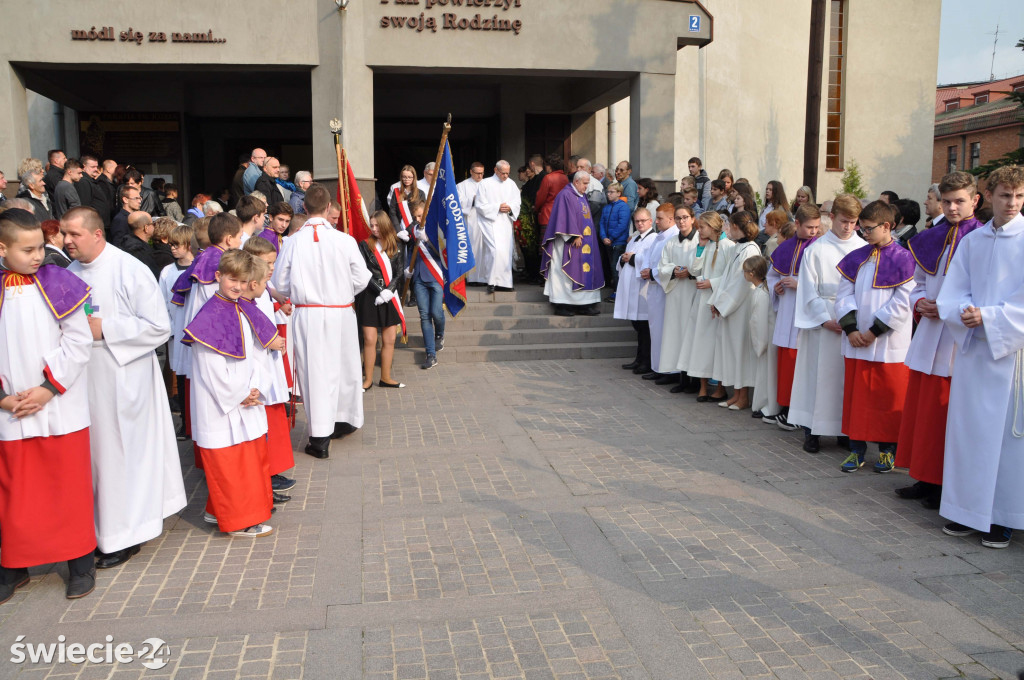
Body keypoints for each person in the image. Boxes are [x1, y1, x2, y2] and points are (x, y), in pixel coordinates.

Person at [62, 206, 187, 567]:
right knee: (97, 457)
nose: (67, 241)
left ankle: (125, 535)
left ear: (97, 233)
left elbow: (160, 326)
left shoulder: (128, 268)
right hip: (86, 377)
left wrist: (106, 329)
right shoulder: (70, 273)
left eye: (74, 234)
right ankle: (104, 529)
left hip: (125, 376)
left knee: (122, 455)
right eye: (65, 235)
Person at [0, 208, 97, 602]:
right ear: (2, 248)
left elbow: (78, 341)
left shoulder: (60, 281)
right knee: (15, 492)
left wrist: (46, 389)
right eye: (27, 250)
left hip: (58, 403)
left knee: (66, 488)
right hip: (10, 408)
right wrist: (3, 397)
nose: (38, 256)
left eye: (41, 246)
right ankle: (14, 566)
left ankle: (80, 564)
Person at [935, 164, 1024, 549]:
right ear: (989, 196)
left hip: (1012, 356)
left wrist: (987, 316)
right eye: (1005, 195)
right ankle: (964, 511)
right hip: (974, 352)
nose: (1013, 203)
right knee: (969, 433)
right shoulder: (973, 242)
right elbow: (953, 291)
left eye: (1019, 196)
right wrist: (963, 311)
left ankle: (1003, 518)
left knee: (1005, 441)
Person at [894, 171, 983, 510]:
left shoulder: (980, 238)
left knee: (947, 416)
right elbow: (916, 283)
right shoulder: (933, 236)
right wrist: (920, 302)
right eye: (946, 201)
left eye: (959, 201)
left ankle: (945, 483)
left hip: (959, 340)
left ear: (975, 201)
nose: (952, 207)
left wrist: (946, 307)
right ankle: (925, 476)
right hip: (929, 335)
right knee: (924, 414)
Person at [272, 184, 371, 459]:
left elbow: (279, 283)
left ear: (304, 207)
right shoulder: (345, 240)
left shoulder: (292, 242)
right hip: (340, 312)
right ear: (329, 208)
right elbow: (362, 279)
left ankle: (320, 438)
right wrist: (340, 291)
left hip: (309, 313)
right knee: (344, 366)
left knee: (314, 372)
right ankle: (343, 421)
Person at [183, 249, 275, 537]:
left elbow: (258, 353)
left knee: (247, 460)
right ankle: (239, 521)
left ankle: (216, 510)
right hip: (221, 402)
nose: (238, 286)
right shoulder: (208, 318)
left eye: (243, 280)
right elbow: (210, 369)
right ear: (219, 276)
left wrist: (257, 386)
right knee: (231, 465)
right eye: (232, 279)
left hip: (246, 395)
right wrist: (239, 394)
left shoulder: (243, 308)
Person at [835, 200, 915, 473]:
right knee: (857, 399)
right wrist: (852, 329)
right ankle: (856, 451)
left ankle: (887, 452)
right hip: (857, 342)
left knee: (887, 399)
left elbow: (903, 303)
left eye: (868, 229)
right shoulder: (857, 257)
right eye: (861, 230)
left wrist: (873, 332)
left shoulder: (905, 259)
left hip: (887, 344)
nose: (863, 234)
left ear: (887, 226)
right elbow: (843, 295)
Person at [788, 196, 866, 446]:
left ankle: (843, 430)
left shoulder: (863, 248)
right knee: (817, 376)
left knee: (843, 380)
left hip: (851, 322)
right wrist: (824, 320)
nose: (848, 227)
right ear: (831, 217)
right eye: (844, 221)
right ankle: (812, 429)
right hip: (823, 320)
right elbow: (808, 290)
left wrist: (851, 320)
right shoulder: (816, 249)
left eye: (853, 222)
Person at [242, 238, 297, 499]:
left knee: (270, 420)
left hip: (267, 362)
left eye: (274, 262)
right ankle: (265, 479)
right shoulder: (250, 294)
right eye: (268, 263)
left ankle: (270, 474)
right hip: (256, 367)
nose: (272, 268)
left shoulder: (262, 290)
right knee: (261, 424)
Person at [767, 204, 822, 431]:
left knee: (802, 363)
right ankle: (785, 408)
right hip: (787, 311)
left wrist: (800, 285)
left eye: (817, 227)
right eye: (809, 227)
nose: (813, 232)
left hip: (808, 315)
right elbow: (771, 276)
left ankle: (797, 412)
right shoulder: (785, 247)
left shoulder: (821, 248)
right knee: (786, 362)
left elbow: (827, 284)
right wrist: (776, 288)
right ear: (796, 224)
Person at [710, 211, 761, 410]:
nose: (727, 229)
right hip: (732, 308)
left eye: (729, 225)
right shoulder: (738, 248)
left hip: (742, 307)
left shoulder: (750, 249)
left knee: (742, 352)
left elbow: (741, 284)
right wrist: (716, 302)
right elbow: (726, 279)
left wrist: (723, 305)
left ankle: (743, 397)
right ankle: (736, 394)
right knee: (733, 351)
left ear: (737, 227)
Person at [540, 171, 605, 317]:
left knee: (585, 271)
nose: (587, 187)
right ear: (576, 182)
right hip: (568, 242)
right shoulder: (565, 195)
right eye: (585, 183)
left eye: (588, 183)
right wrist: (572, 236)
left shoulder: (581, 196)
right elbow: (563, 218)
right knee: (565, 273)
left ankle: (584, 305)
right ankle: (562, 304)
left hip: (585, 243)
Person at [685, 211, 732, 402]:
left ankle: (720, 387)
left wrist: (712, 282)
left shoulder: (728, 246)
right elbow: (694, 269)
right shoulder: (706, 245)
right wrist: (699, 249)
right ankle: (703, 386)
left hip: (717, 299)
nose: (699, 231)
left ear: (712, 227)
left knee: (717, 345)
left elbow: (731, 276)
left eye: (701, 227)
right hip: (702, 300)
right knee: (701, 344)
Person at [357, 211, 406, 390]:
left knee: (390, 339)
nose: (374, 229)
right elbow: (363, 272)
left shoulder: (397, 245)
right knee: (369, 339)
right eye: (372, 225)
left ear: (385, 225)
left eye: (377, 225)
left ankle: (385, 377)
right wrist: (379, 291)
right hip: (370, 296)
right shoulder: (364, 245)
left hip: (389, 297)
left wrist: (388, 292)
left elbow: (399, 272)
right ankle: (368, 379)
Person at [657, 204, 699, 393]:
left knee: (691, 334)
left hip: (692, 291)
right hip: (675, 294)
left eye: (685, 217)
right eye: (678, 218)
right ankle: (682, 379)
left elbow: (705, 264)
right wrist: (673, 270)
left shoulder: (700, 240)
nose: (682, 221)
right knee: (677, 335)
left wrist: (690, 273)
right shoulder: (671, 242)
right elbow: (662, 266)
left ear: (692, 218)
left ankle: (695, 381)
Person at [637, 203, 679, 382]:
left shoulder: (674, 236)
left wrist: (653, 273)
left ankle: (668, 370)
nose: (657, 221)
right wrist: (646, 268)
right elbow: (648, 256)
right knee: (655, 329)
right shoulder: (659, 236)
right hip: (654, 288)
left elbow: (671, 264)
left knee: (665, 331)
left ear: (671, 219)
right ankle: (657, 366)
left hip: (665, 290)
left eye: (660, 218)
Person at [159, 223, 195, 431]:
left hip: (192, 331)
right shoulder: (167, 271)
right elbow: (162, 301)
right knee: (180, 376)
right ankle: (184, 421)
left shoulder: (197, 269)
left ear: (189, 245)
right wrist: (169, 328)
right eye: (171, 244)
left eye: (177, 244)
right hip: (176, 330)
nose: (172, 248)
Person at [614, 209, 657, 373]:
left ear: (650, 221)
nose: (640, 224)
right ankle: (639, 359)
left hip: (643, 288)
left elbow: (649, 261)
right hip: (630, 286)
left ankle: (646, 361)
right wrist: (624, 258)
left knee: (644, 327)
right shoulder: (633, 239)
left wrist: (631, 258)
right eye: (637, 221)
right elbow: (624, 257)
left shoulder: (653, 239)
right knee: (637, 325)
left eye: (643, 221)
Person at [405, 200, 446, 370]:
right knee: (424, 315)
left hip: (435, 275)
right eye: (415, 216)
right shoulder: (413, 229)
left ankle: (440, 335)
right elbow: (409, 250)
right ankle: (431, 354)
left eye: (420, 215)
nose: (417, 219)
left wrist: (428, 240)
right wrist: (408, 267)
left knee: (436, 312)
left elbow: (442, 252)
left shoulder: (435, 229)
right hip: (419, 277)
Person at [475, 161, 522, 293]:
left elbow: (517, 202)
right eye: (503, 173)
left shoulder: (511, 184)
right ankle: (491, 281)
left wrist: (511, 208)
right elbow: (479, 205)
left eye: (508, 173)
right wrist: (497, 207)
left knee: (506, 252)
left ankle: (505, 283)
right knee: (495, 251)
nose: (506, 176)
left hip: (505, 222)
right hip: (490, 222)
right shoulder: (485, 183)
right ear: (496, 170)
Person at [745, 256, 779, 420]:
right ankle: (763, 404)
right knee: (766, 373)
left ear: (751, 274)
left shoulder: (761, 294)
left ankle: (768, 406)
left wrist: (759, 344)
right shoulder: (763, 291)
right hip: (768, 339)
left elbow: (758, 321)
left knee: (767, 374)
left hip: (766, 340)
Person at [455, 163, 486, 284]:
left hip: (486, 219)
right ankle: (472, 278)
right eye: (478, 173)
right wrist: (472, 199)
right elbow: (458, 201)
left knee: (485, 249)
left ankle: (486, 277)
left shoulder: (487, 184)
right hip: (471, 220)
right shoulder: (462, 185)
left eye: (482, 173)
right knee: (473, 248)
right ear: (471, 172)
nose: (480, 176)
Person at [599, 182, 631, 296]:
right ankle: (614, 289)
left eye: (611, 192)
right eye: (608, 192)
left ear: (619, 193)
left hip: (618, 242)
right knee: (610, 266)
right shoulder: (606, 207)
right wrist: (603, 237)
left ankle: (618, 291)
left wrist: (611, 238)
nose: (608, 194)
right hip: (608, 241)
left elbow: (622, 225)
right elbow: (602, 223)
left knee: (615, 267)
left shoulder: (623, 207)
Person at [119, 211, 161, 278]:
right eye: (153, 224)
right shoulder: (140, 251)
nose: (154, 226)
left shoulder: (123, 243)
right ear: (146, 228)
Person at [534, 154, 568, 236]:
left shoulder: (548, 178)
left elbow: (540, 197)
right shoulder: (565, 178)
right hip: (562, 214)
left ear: (550, 166)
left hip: (548, 215)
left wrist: (536, 209)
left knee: (545, 244)